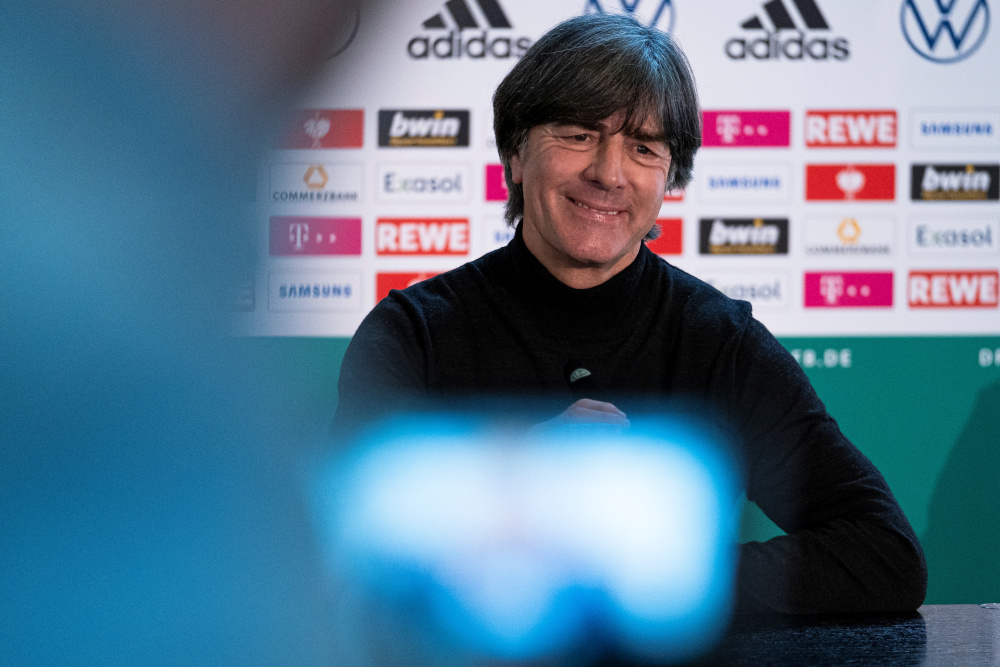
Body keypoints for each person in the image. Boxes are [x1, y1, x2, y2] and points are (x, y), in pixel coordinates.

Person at [333, 13, 926, 614]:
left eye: (643, 147)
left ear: (669, 177)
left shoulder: (719, 340)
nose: (608, 174)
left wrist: (655, 570)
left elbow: (885, 555)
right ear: (515, 152)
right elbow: (340, 561)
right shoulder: (413, 336)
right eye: (579, 135)